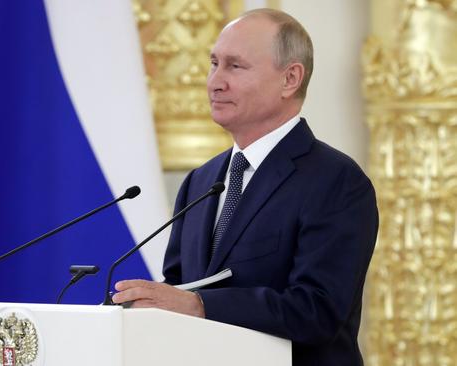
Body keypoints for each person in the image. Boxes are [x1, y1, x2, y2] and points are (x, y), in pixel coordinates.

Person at [112, 8, 378, 366]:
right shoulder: (200, 181)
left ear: (290, 79)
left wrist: (200, 306)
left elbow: (318, 310)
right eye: (214, 63)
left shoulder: (336, 181)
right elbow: (181, 290)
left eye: (235, 66)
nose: (215, 81)